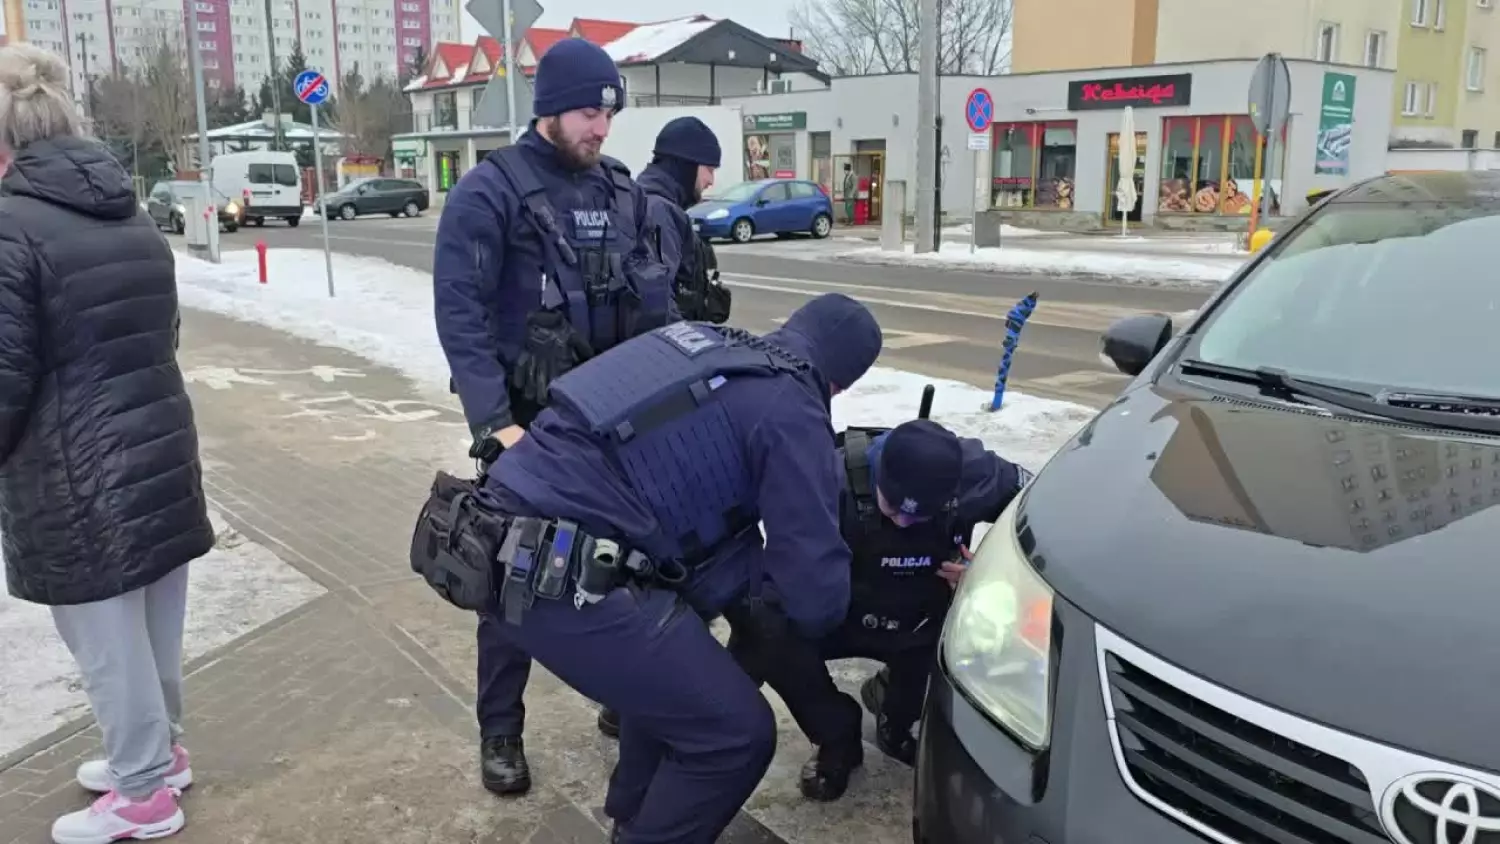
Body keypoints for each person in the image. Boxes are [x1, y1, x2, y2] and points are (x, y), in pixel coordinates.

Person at [409, 293, 883, 843]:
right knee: (735, 733)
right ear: (841, 384)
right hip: (560, 576)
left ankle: (631, 813)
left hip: (488, 537)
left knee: (676, 674)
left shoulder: (703, 344)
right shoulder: (792, 407)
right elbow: (813, 593)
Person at [431, 36, 678, 798]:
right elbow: (460, 314)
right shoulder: (490, 191)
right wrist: (494, 421)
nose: (599, 130)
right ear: (547, 110)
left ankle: (619, 694)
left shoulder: (620, 192)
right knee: (508, 581)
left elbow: (653, 305)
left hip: (612, 427)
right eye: (585, 113)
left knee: (625, 570)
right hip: (526, 432)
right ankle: (500, 730)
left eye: (608, 115)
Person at [0, 44, 215, 844]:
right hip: (156, 448)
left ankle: (142, 795)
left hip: (74, 473)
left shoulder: (11, 227)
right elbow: (162, 331)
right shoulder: (126, 212)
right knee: (153, 623)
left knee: (105, 642)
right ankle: (160, 753)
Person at [728, 418, 1030, 801]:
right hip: (835, 608)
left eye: (917, 516)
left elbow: (1047, 515)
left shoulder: (977, 473)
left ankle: (896, 715)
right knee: (763, 633)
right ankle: (838, 735)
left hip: (920, 615)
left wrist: (989, 569)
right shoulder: (821, 476)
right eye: (892, 508)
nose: (903, 521)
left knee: (1000, 627)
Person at [638, 116, 731, 324]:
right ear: (687, 165)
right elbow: (658, 305)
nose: (711, 181)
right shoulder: (659, 211)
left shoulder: (657, 205)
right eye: (709, 169)